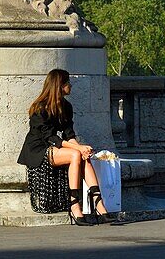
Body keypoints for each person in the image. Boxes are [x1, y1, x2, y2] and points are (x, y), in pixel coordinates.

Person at [18, 68, 119, 225]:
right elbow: (49, 137)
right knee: (75, 154)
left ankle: (99, 204)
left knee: (84, 156)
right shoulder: (40, 107)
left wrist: (82, 148)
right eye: (68, 83)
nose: (70, 85)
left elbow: (69, 135)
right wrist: (77, 149)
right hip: (37, 149)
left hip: (55, 147)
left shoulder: (66, 106)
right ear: (60, 85)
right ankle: (74, 205)